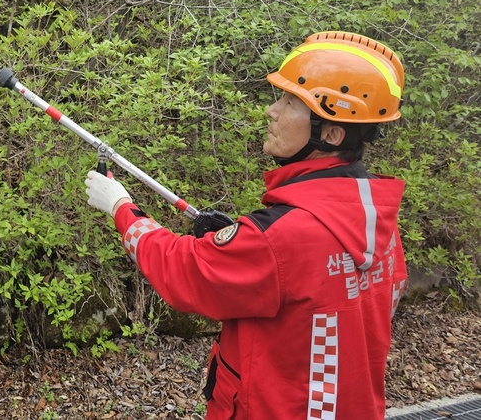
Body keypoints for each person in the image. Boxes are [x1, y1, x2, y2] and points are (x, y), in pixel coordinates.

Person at [84, 31, 408, 420]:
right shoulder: (374, 216)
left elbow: (181, 269)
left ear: (332, 134)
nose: (272, 111)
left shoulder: (283, 235)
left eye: (290, 103)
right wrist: (233, 240)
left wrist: (120, 205)